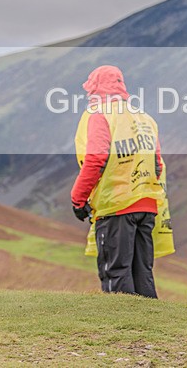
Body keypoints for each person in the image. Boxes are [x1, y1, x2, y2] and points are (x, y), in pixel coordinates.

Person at [70, 65, 164, 298]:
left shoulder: (100, 114)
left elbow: (96, 158)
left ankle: (124, 332)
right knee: (143, 274)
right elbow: (158, 164)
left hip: (116, 206)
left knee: (116, 273)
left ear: (95, 88)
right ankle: (153, 330)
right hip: (147, 204)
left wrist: (78, 199)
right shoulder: (144, 118)